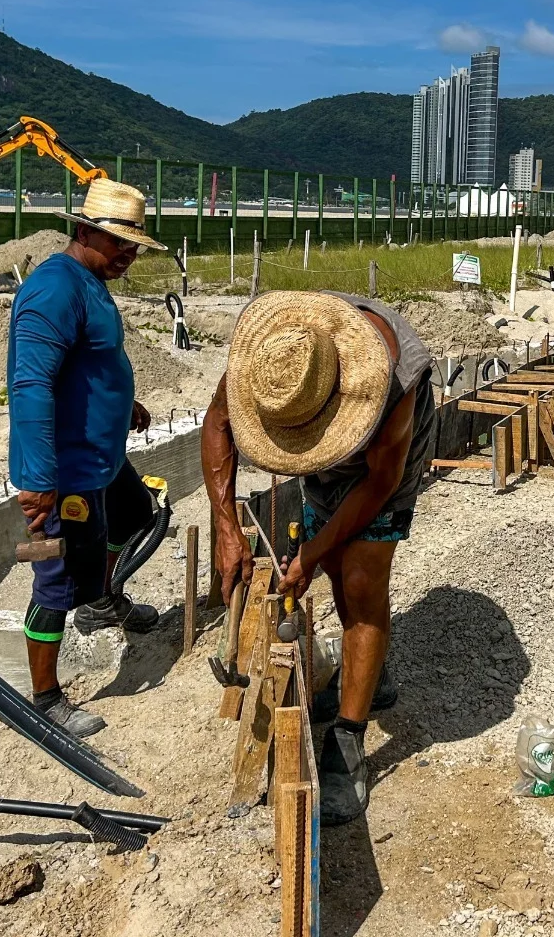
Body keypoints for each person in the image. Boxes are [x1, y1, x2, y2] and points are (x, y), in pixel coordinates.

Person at [202, 291, 437, 826]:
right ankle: (370, 675)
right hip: (334, 431)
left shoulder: (397, 380)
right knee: (332, 564)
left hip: (384, 463)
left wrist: (308, 554)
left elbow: (378, 483)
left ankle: (351, 738)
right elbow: (217, 425)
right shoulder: (273, 359)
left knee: (360, 579)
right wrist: (226, 526)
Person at [8, 178, 167, 738]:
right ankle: (46, 698)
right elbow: (30, 387)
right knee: (53, 577)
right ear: (83, 231)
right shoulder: (54, 289)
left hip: (100, 456)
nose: (128, 253)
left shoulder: (91, 281)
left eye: (134, 244)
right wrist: (38, 481)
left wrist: (123, 404)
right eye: (117, 241)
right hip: (63, 471)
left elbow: (90, 361)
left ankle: (102, 599)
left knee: (134, 517)